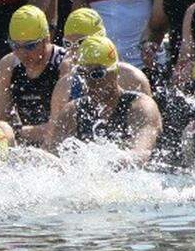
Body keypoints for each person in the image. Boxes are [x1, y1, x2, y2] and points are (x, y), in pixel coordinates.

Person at [46, 36, 162, 164]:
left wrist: (98, 165)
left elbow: (139, 155)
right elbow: (54, 161)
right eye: (83, 74)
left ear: (116, 72)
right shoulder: (72, 112)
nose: (89, 82)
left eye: (97, 74)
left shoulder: (141, 107)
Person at [0, 5, 67, 147]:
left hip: (60, 145)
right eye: (15, 46)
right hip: (26, 142)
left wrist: (18, 132)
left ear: (46, 39)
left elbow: (61, 128)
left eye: (30, 46)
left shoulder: (64, 65)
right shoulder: (8, 65)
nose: (22, 53)